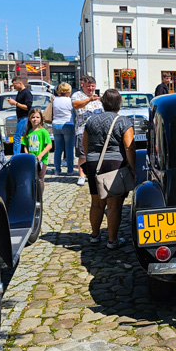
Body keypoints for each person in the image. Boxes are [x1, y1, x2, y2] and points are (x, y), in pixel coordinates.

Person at [83, 90, 136, 250]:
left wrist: (90, 159)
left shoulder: (91, 120)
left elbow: (85, 143)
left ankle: (94, 235)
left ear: (103, 103)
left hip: (94, 164)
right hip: (115, 164)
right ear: (119, 104)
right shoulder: (123, 121)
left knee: (96, 203)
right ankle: (112, 240)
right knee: (114, 206)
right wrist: (132, 168)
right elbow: (129, 146)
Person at [72, 75, 103, 186]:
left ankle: (94, 174)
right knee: (82, 154)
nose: (90, 88)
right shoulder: (77, 95)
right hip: (82, 129)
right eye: (88, 86)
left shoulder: (98, 97)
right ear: (83, 85)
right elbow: (75, 105)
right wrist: (89, 99)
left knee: (96, 153)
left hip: (97, 130)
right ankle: (81, 175)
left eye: (92, 86)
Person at [21, 107, 52, 194]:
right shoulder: (28, 132)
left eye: (37, 117)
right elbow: (25, 145)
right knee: (31, 178)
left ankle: (39, 197)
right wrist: (27, 155)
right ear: (29, 119)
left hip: (41, 160)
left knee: (40, 179)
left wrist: (41, 155)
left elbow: (49, 145)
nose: (35, 119)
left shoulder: (43, 131)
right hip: (31, 159)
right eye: (33, 117)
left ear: (41, 119)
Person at [51, 83, 75, 175]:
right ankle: (70, 170)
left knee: (58, 149)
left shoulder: (54, 100)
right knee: (69, 149)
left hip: (56, 124)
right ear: (69, 91)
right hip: (68, 124)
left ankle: (57, 169)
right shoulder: (70, 101)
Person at [7, 78, 33, 152]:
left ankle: (16, 155)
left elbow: (28, 107)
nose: (14, 87)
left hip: (24, 118)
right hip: (20, 118)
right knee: (26, 137)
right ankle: (26, 153)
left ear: (20, 83)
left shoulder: (27, 93)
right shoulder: (20, 92)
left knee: (17, 137)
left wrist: (15, 103)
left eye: (14, 85)